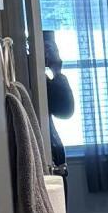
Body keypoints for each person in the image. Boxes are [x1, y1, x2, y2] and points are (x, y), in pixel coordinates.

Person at [42, 29, 74, 174]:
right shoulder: (36, 80)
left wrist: (57, 71)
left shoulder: (45, 81)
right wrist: (57, 72)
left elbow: (66, 110)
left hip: (54, 157)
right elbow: (65, 109)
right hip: (49, 154)